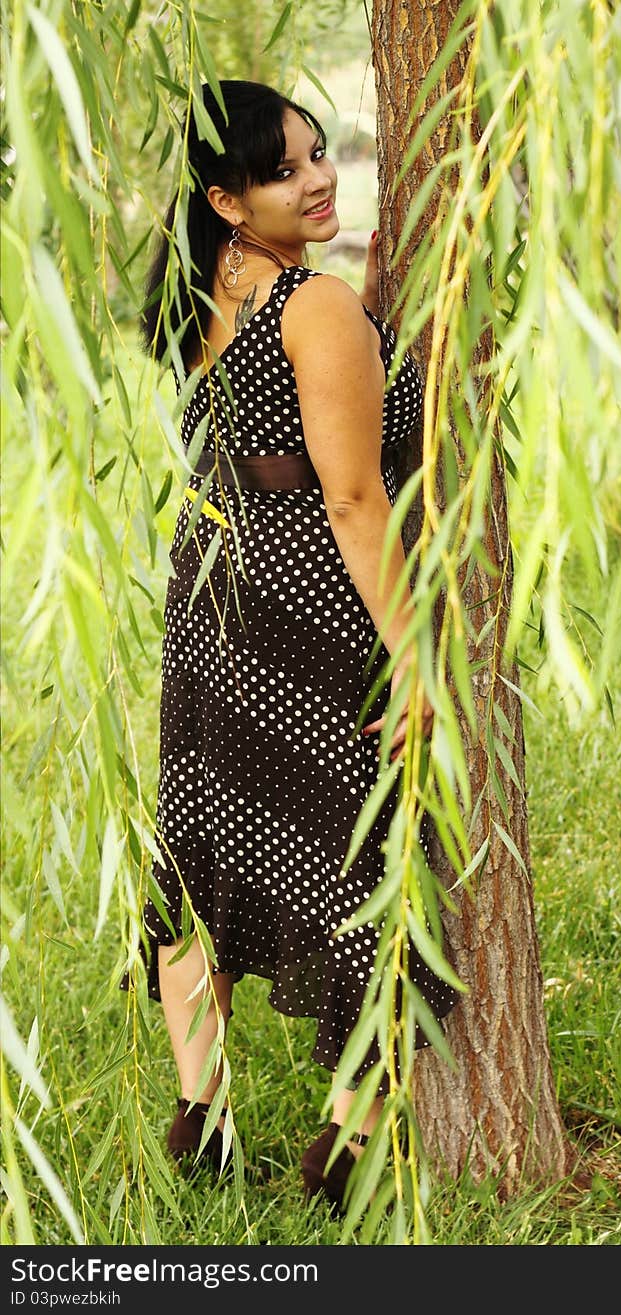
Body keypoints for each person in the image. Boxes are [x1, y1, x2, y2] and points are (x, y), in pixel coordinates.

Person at [120, 79, 458, 1208]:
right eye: (284, 170)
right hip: (305, 597)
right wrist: (413, 657)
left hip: (209, 580)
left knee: (204, 835)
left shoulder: (199, 291)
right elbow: (355, 498)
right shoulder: (314, 305)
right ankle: (346, 1143)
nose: (317, 179)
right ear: (225, 196)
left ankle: (201, 1116)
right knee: (354, 849)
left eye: (319, 154)